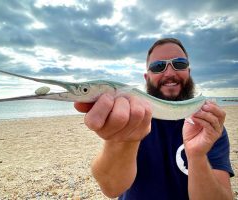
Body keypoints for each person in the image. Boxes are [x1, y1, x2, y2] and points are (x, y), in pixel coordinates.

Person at [74, 38, 234, 199]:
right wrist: (122, 140)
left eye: (179, 64)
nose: (170, 73)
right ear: (146, 77)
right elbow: (112, 188)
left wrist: (198, 156)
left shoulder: (209, 125)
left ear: (189, 72)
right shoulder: (132, 118)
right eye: (158, 66)